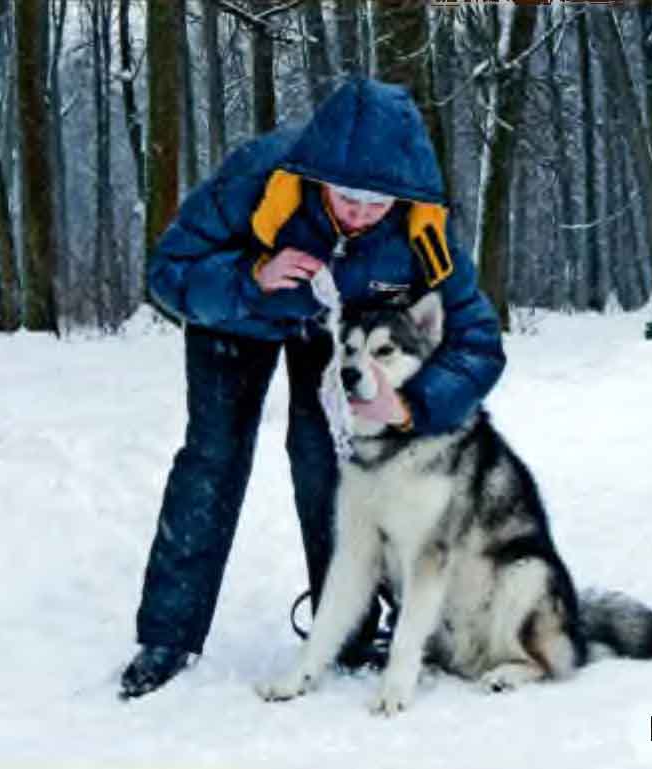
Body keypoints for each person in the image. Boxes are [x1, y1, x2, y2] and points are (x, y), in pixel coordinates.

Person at [119, 78, 506, 699]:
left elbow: (478, 343)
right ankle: (168, 636)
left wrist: (411, 404)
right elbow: (168, 273)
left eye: (377, 202)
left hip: (328, 334)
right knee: (212, 460)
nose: (358, 213)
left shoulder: (421, 228)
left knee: (326, 459)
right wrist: (252, 275)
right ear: (318, 173)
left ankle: (349, 631)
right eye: (347, 196)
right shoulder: (261, 176)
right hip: (238, 313)